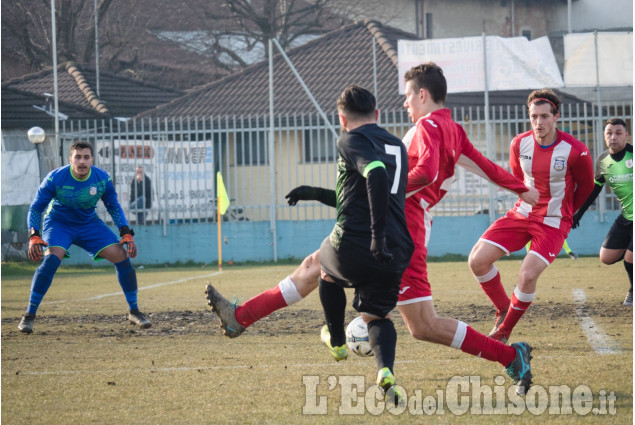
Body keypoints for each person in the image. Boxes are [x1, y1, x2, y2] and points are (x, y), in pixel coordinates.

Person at [206, 63, 539, 395]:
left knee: (422, 325)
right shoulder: (453, 128)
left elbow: (424, 174)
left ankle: (510, 355)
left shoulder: (427, 127)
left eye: (408, 96)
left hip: (399, 226)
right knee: (316, 265)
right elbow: (483, 165)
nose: (406, 104)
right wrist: (519, 188)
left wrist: (379, 192)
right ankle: (242, 317)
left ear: (422, 94)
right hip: (405, 223)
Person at [468, 88, 595, 344]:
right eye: (534, 116)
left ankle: (504, 330)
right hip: (522, 214)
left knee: (526, 276)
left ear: (556, 117)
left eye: (545, 116)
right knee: (477, 260)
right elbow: (518, 180)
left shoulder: (576, 150)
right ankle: (504, 307)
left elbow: (587, 187)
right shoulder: (519, 143)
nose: (539, 122)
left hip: (553, 222)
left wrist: (567, 214)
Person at [19, 141, 151, 334]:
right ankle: (29, 315)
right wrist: (34, 235)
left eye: (86, 157)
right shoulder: (55, 178)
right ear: (70, 159)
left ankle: (134, 311)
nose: (82, 162)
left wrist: (125, 233)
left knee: (122, 256)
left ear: (92, 160)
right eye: (78, 157)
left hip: (89, 224)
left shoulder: (102, 178)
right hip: (58, 224)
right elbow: (37, 207)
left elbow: (113, 206)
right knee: (51, 261)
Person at [572, 118, 633, 306]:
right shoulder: (602, 160)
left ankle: (633, 292)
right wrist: (578, 214)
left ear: (626, 135)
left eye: (618, 133)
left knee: (631, 258)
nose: (613, 137)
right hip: (626, 216)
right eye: (609, 133)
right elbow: (594, 190)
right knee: (606, 258)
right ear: (605, 136)